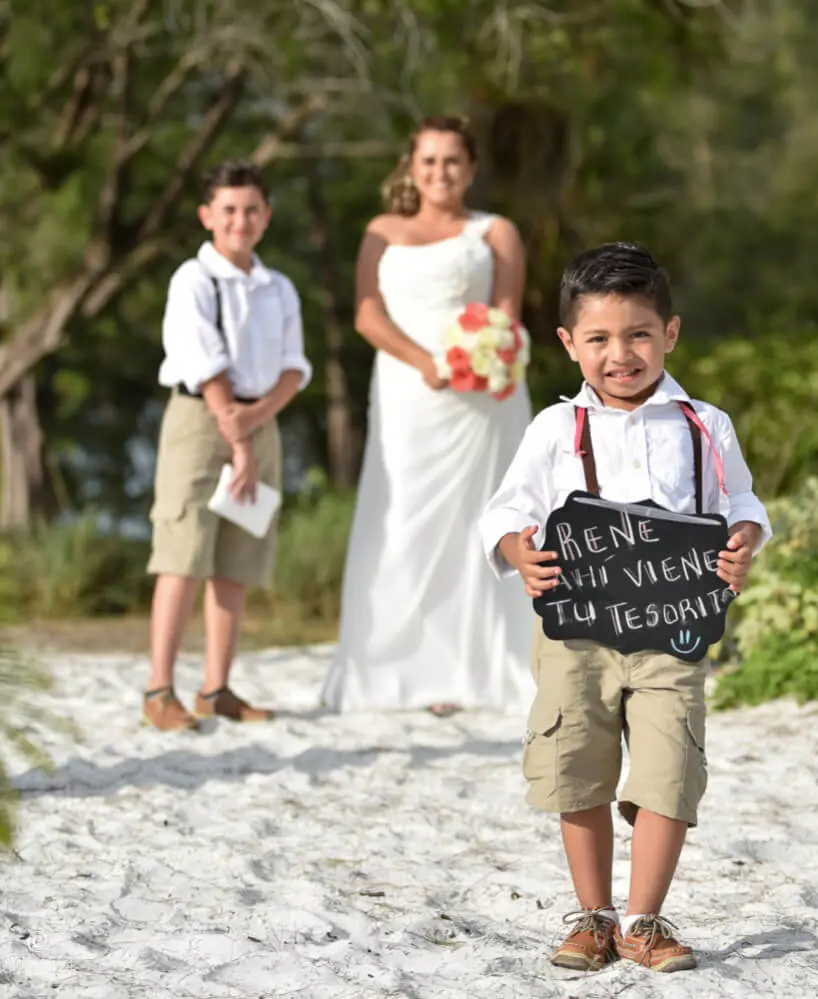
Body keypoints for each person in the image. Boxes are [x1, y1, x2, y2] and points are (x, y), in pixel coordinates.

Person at [478, 243, 771, 973]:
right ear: (568, 343)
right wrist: (517, 550)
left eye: (639, 334)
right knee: (574, 761)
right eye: (600, 338)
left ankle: (643, 919)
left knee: (670, 764)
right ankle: (594, 914)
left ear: (669, 333)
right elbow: (506, 510)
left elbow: (741, 502)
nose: (621, 354)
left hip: (672, 632)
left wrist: (743, 538)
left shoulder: (705, 424)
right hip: (574, 632)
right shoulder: (553, 429)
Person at [319, 115, 534, 715]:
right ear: (411, 167)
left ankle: (471, 669)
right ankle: (400, 667)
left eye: (452, 161)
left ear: (470, 168)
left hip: (480, 400)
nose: (440, 172)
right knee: (402, 521)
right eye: (429, 161)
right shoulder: (382, 230)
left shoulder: (496, 233)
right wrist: (424, 362)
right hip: (408, 395)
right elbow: (367, 315)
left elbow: (507, 317)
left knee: (478, 526)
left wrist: (484, 362)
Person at [143, 161, 312, 731]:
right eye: (229, 209)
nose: (241, 220)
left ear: (266, 216)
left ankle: (216, 689)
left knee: (235, 562)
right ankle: (158, 690)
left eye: (252, 209)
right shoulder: (194, 279)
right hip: (199, 421)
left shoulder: (279, 287)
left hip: (259, 422)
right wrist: (234, 432)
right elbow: (204, 358)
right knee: (182, 555)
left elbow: (294, 367)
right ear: (207, 215)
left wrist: (254, 422)